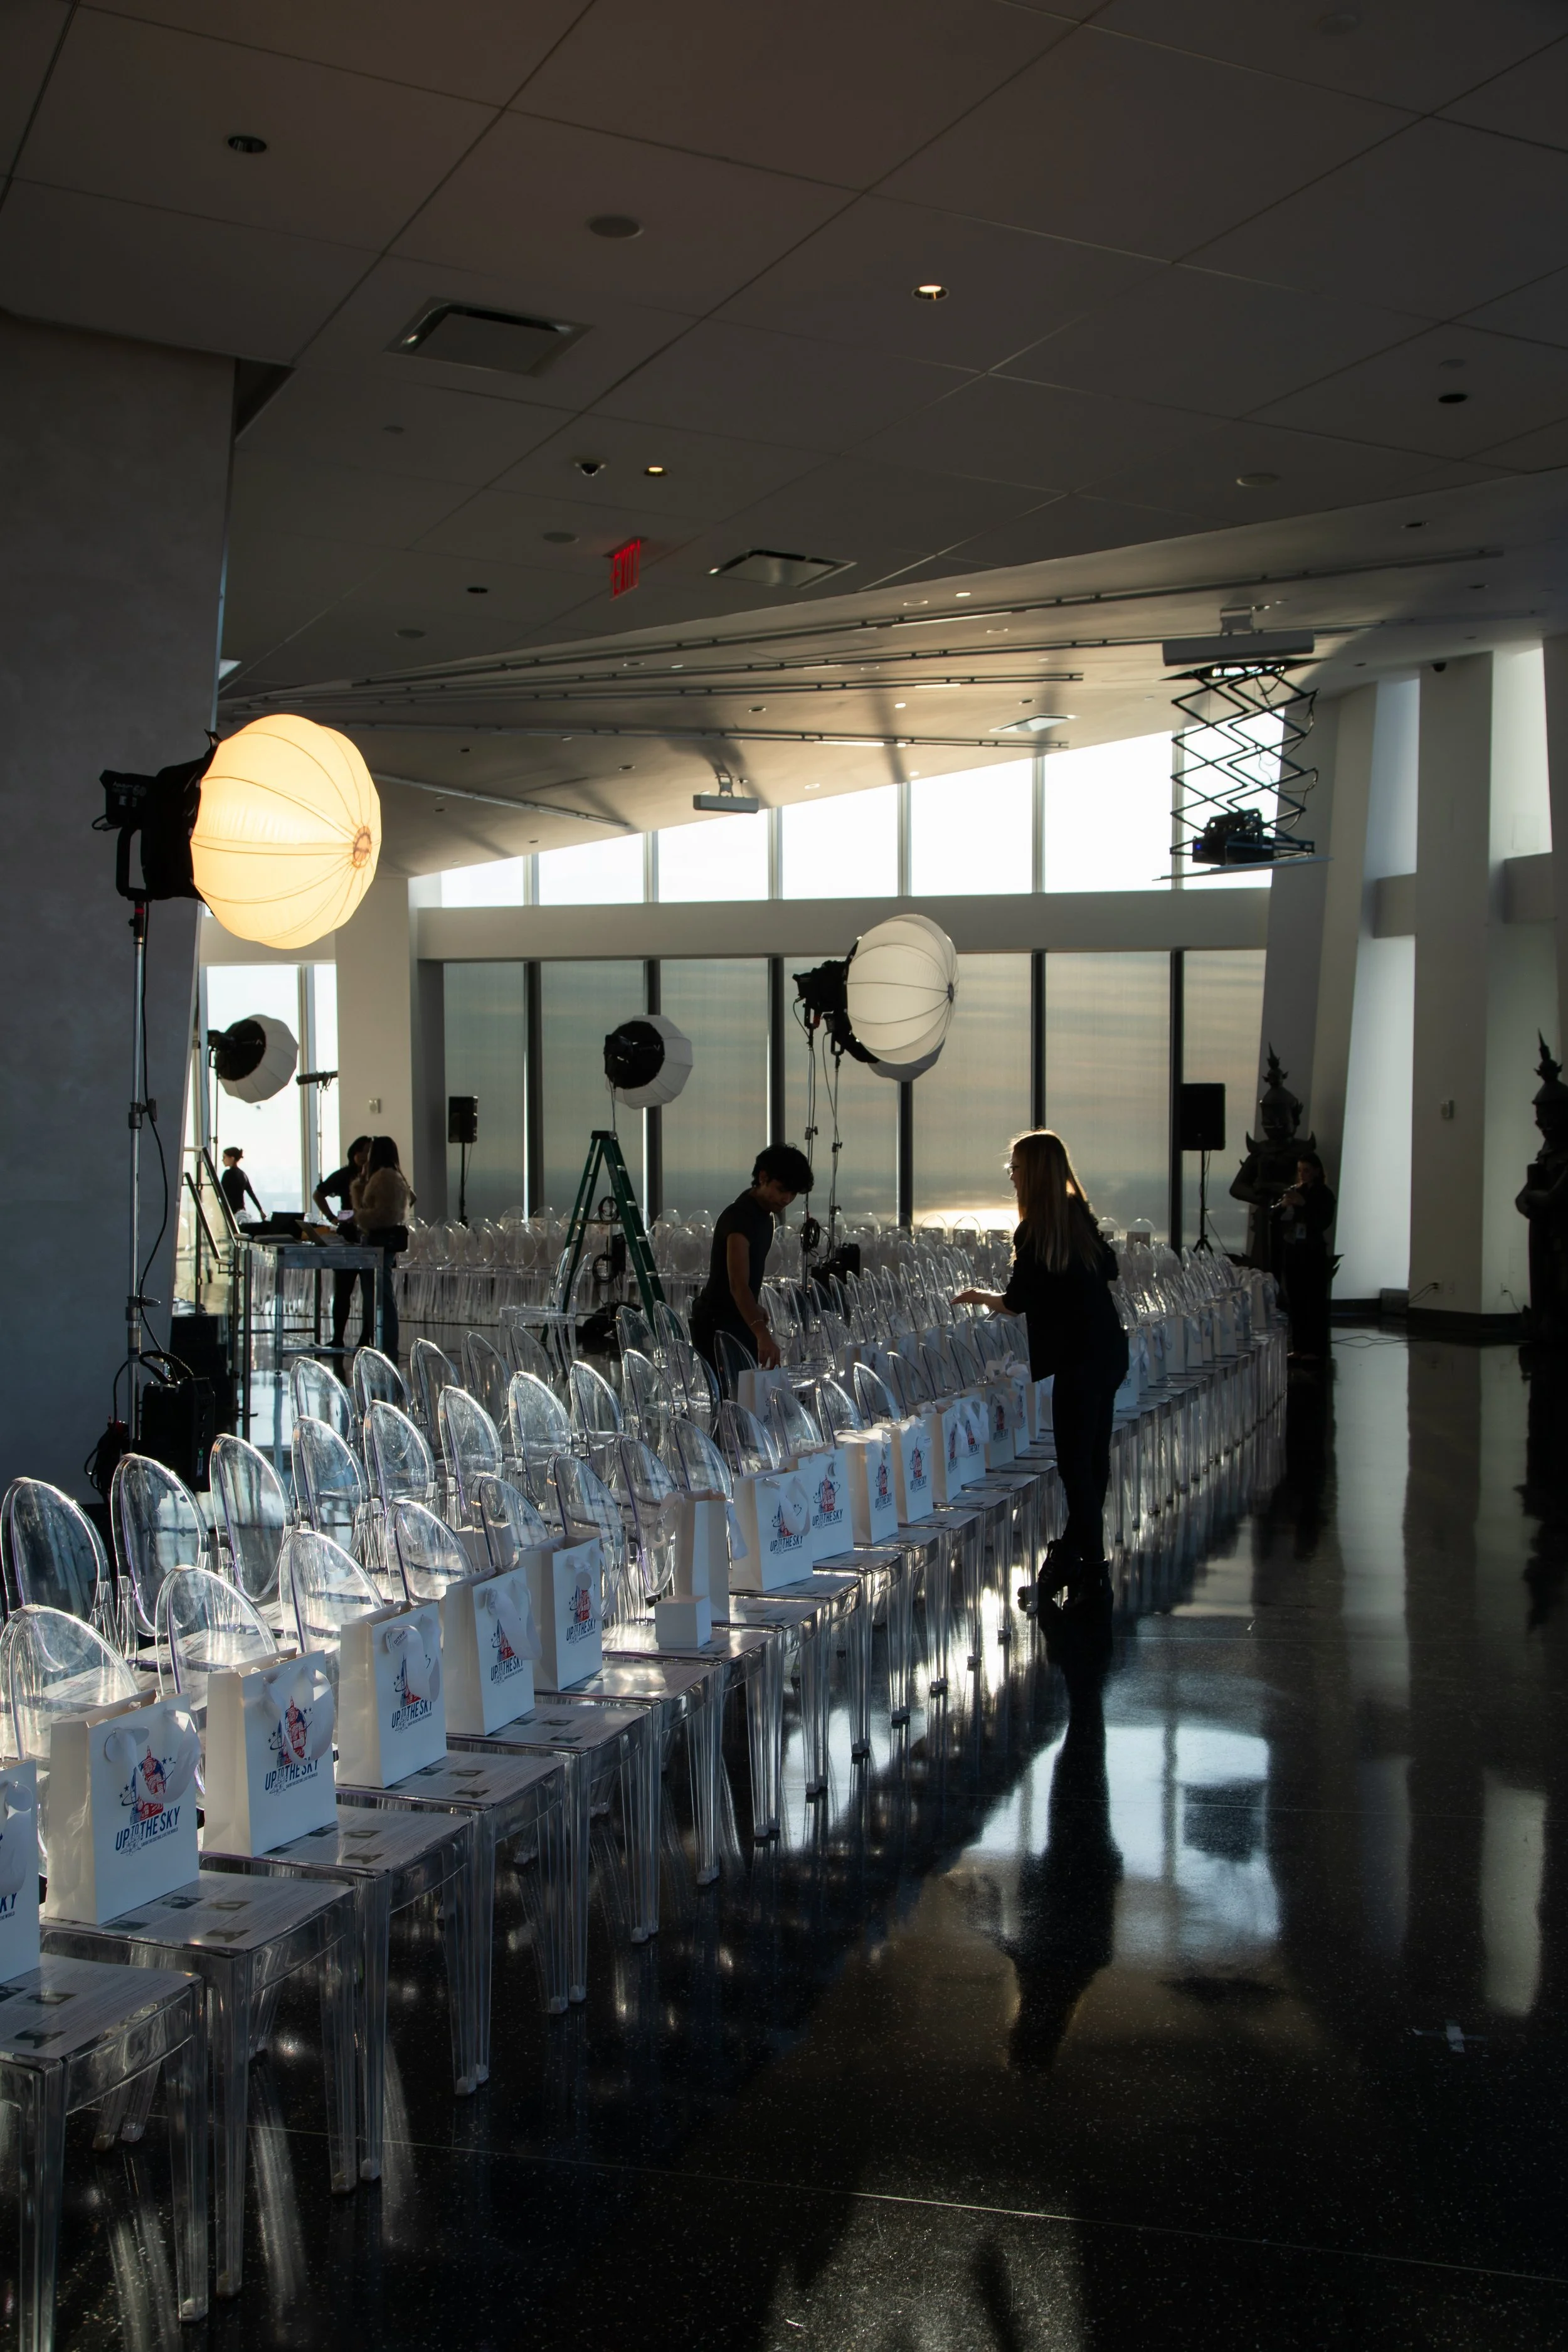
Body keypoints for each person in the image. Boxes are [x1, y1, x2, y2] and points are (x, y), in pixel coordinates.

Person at [954, 1130, 1129, 1607]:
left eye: (1014, 1168)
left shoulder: (1034, 1231)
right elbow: (1109, 1268)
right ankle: (1081, 1561)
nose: (1010, 1175)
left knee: (1077, 1468)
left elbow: (1016, 1301)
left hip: (1079, 1357)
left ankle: (1087, 1568)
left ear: (1031, 1173)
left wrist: (978, 1297)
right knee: (1093, 1463)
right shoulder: (1075, 1216)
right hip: (1109, 1350)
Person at [689, 1144, 814, 1374]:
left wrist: (754, 1308)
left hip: (734, 1319)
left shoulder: (761, 1215)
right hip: (717, 1325)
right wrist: (762, 1335)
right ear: (762, 1177)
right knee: (732, 1401)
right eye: (782, 1189)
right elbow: (738, 1285)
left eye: (794, 1194)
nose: (787, 1199)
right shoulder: (741, 1218)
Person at [351, 1136, 415, 1363]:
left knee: (380, 1297)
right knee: (380, 1296)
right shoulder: (396, 1177)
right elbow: (409, 1199)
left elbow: (379, 1214)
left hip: (378, 1242)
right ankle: (384, 1347)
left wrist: (360, 1215)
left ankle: (386, 1348)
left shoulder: (382, 1178)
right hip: (386, 1243)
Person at [315, 1136, 373, 1362]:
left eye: (368, 1152)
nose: (364, 1156)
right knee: (343, 1291)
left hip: (368, 1236)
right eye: (361, 1152)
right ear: (353, 1153)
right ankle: (338, 1337)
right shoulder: (345, 1175)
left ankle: (365, 1338)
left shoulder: (376, 1177)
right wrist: (332, 1218)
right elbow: (319, 1193)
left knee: (369, 1292)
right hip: (349, 1237)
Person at [1276, 1150, 1335, 1364]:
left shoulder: (1324, 1195)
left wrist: (1304, 1205)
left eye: (1307, 1171)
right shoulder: (1295, 1192)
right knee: (1296, 1300)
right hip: (1294, 1251)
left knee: (1313, 1302)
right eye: (1300, 1170)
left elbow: (1322, 1222)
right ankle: (1299, 1346)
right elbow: (1277, 1219)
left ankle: (1315, 1348)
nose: (1303, 1175)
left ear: (1317, 1171)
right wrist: (1283, 1207)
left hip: (1312, 1253)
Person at [218, 1147, 263, 1222]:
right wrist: (261, 1211)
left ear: (232, 1158)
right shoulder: (243, 1174)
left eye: (224, 1157)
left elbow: (220, 1193)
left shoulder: (228, 1174)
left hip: (231, 1213)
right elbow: (252, 1195)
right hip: (241, 1212)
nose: (223, 1160)